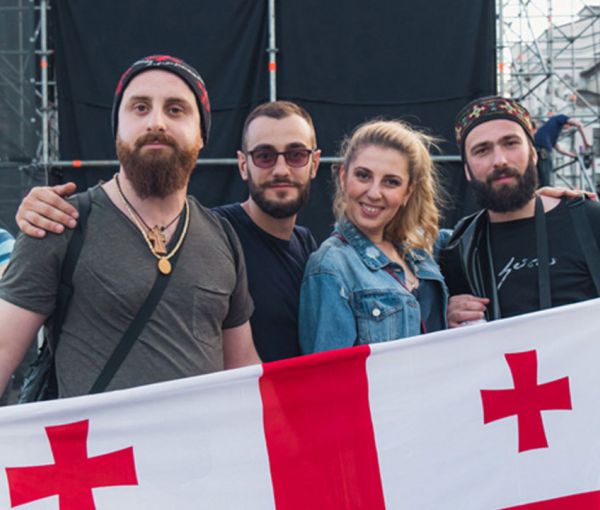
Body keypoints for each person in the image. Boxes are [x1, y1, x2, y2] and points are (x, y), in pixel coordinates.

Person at [0, 55, 259, 399]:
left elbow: (242, 369)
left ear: (201, 135)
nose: (157, 122)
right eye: (139, 108)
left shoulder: (223, 238)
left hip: (199, 452)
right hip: (97, 453)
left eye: (176, 109)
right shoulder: (60, 223)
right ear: (117, 130)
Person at [15, 101, 321, 362]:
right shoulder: (212, 238)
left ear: (314, 163)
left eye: (295, 155)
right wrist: (40, 210)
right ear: (243, 165)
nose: (281, 169)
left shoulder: (309, 247)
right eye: (265, 156)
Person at [440, 96, 600, 327]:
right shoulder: (460, 248)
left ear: (534, 154)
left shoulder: (589, 220)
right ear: (467, 170)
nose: (500, 160)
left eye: (511, 143)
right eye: (482, 150)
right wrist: (445, 314)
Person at [299, 120, 448, 354]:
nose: (374, 193)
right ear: (343, 176)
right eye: (363, 176)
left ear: (408, 192)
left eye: (391, 182)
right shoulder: (331, 267)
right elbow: (329, 380)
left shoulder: (419, 251)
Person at [534, 114, 590, 187]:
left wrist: (574, 155)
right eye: (570, 126)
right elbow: (579, 124)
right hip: (543, 150)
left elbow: (559, 149)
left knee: (540, 177)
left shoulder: (552, 130)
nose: (568, 128)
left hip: (536, 149)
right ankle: (545, 193)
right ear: (567, 122)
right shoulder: (560, 118)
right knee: (546, 179)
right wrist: (586, 142)